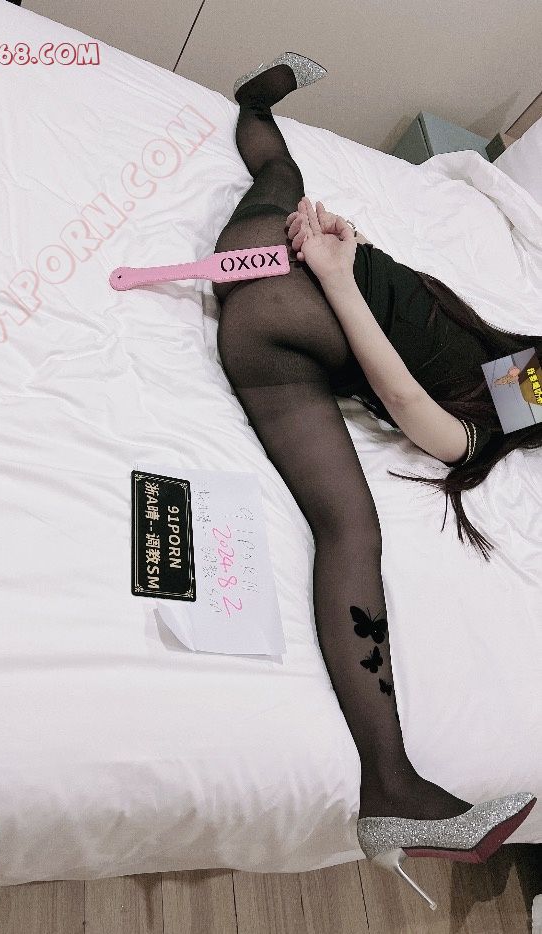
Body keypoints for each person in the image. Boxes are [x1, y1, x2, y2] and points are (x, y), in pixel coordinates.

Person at [213, 51, 537, 908]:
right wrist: (338, 260)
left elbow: (428, 418)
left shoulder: (526, 390)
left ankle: (254, 106)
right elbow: (413, 398)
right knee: (350, 532)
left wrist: (337, 268)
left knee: (279, 174)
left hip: (277, 301)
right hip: (283, 301)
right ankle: (389, 783)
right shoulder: (525, 374)